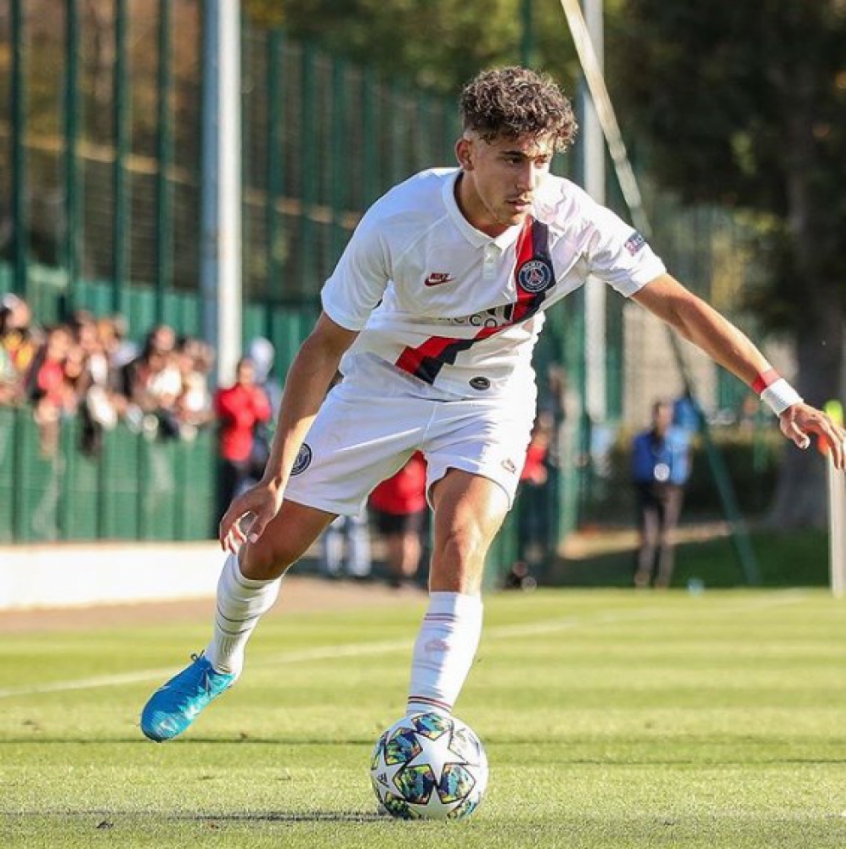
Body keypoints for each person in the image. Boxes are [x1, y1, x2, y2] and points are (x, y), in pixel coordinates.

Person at [140, 66, 845, 743]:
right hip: (382, 385)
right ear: (466, 153)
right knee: (269, 549)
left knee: (459, 540)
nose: (528, 180)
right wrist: (272, 477)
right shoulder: (399, 219)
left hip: (490, 401)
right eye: (511, 159)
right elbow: (323, 348)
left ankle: (426, 723)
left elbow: (680, 306)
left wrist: (781, 395)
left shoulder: (573, 221)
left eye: (540, 160)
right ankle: (219, 661)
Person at [631, 399, 692, 589]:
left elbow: (683, 466)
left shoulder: (678, 439)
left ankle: (662, 578)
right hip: (648, 487)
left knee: (666, 535)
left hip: (670, 490)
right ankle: (642, 575)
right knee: (647, 535)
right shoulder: (642, 440)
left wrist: (673, 482)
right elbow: (636, 464)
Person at [213, 356, 273, 522]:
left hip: (252, 451)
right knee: (230, 492)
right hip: (233, 450)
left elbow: (264, 413)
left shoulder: (256, 394)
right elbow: (237, 415)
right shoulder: (228, 394)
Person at [369, 452, 428, 588]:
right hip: (386, 498)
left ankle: (406, 575)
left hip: (410, 500)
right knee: (391, 539)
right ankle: (396, 575)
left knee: (407, 538)